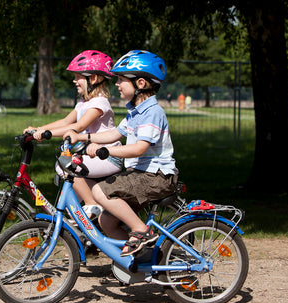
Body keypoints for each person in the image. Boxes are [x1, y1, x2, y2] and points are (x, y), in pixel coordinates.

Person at [64, 50, 178, 256]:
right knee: (106, 221)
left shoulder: (152, 112)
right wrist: (83, 138)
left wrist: (105, 151)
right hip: (141, 174)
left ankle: (142, 231)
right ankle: (140, 261)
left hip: (157, 176)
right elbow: (115, 133)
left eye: (121, 80)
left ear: (140, 84)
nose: (116, 84)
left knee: (99, 191)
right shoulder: (135, 111)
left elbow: (139, 148)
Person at [24, 50, 123, 219]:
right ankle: (87, 238)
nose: (74, 80)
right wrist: (39, 129)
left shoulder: (99, 103)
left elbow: (78, 126)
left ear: (93, 79)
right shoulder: (84, 102)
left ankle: (92, 204)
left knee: (64, 165)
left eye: (78, 77)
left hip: (107, 157)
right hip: (91, 157)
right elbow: (65, 122)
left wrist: (47, 134)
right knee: (71, 207)